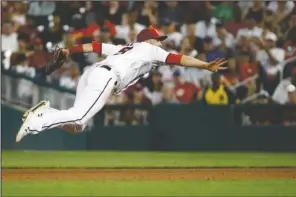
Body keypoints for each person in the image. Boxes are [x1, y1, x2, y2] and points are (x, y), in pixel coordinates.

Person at [16, 28, 227, 142]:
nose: (160, 43)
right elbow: (178, 58)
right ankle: (37, 121)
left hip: (92, 74)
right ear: (148, 40)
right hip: (107, 77)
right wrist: (205, 65)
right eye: (157, 39)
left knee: (77, 126)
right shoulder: (149, 49)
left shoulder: (122, 48)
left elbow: (94, 46)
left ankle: (48, 111)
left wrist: (69, 51)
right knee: (79, 116)